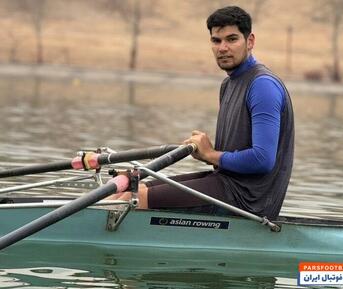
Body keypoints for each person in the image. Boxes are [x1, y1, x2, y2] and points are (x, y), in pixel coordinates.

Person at [109, 6, 294, 220]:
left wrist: (210, 154)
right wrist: (206, 153)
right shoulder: (228, 84)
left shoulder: (263, 86)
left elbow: (262, 159)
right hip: (226, 184)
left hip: (248, 201)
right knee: (125, 189)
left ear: (250, 41)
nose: (223, 47)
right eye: (216, 41)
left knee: (133, 199)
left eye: (232, 39)